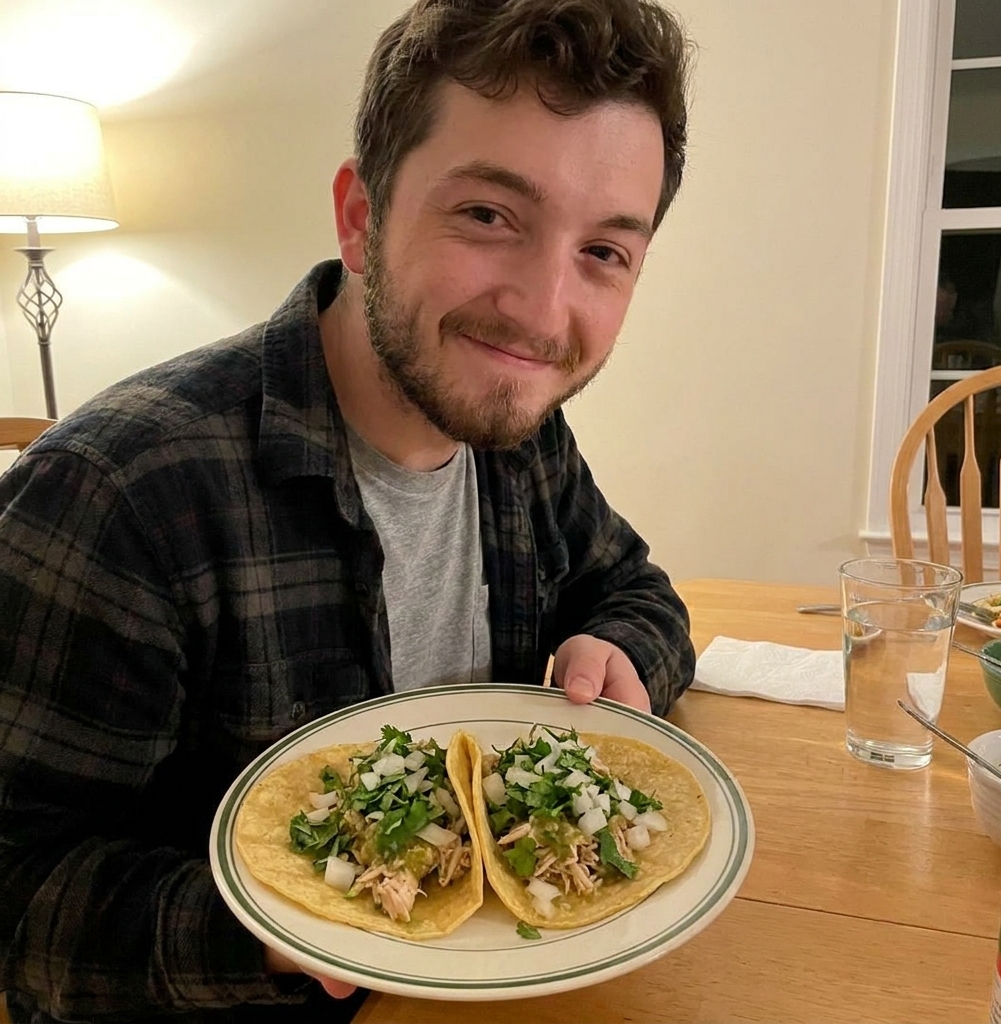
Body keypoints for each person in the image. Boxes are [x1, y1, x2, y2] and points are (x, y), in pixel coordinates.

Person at [0, 0, 696, 1020]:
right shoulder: (118, 496)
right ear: (361, 219)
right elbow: (18, 887)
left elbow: (635, 588)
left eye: (603, 250)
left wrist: (618, 647)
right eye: (488, 215)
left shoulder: (518, 436)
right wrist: (269, 928)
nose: (545, 312)